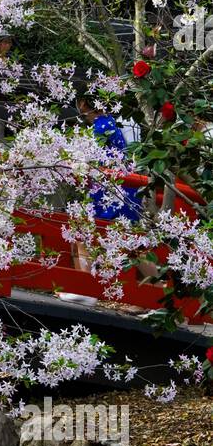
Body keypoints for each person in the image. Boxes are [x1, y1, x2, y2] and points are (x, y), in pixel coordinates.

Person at [59, 93, 143, 305]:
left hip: (110, 193)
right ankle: (160, 296)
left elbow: (87, 161)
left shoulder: (100, 128)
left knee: (81, 233)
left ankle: (85, 289)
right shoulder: (112, 124)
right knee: (132, 245)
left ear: (82, 103)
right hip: (123, 191)